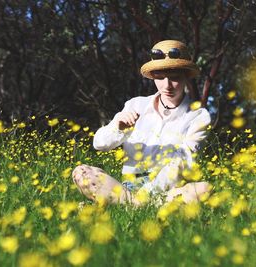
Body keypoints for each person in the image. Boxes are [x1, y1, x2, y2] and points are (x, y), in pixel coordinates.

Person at [72, 40, 212, 206]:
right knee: (80, 172)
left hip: (170, 188)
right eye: (160, 77)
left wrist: (146, 194)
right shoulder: (135, 105)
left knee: (204, 189)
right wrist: (118, 127)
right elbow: (99, 144)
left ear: (186, 76)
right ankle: (135, 204)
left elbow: (185, 162)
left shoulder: (199, 116)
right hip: (129, 185)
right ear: (153, 77)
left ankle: (126, 205)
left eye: (174, 78)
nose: (167, 85)